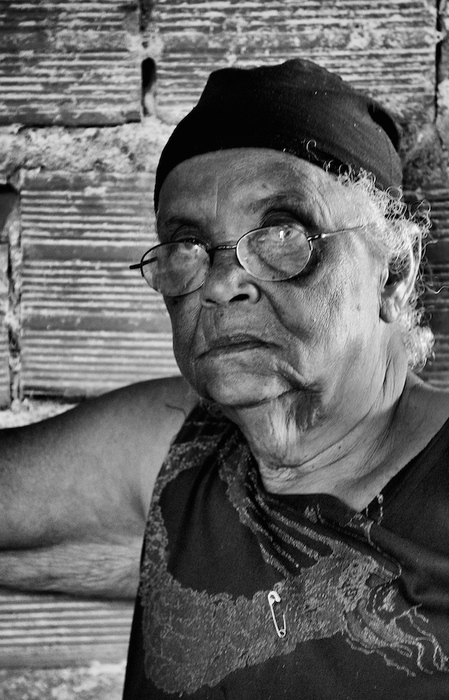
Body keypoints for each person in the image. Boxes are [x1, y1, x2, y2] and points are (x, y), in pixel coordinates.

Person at [1, 58, 449, 699]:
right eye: (187, 247)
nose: (219, 282)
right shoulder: (178, 451)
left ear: (392, 274)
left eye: (284, 234)